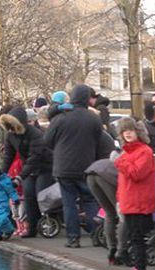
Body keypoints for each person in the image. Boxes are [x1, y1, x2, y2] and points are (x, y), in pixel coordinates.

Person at [44, 83, 102, 248]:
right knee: (90, 201)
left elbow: (47, 141)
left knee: (69, 203)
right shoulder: (93, 118)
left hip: (64, 167)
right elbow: (99, 141)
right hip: (86, 166)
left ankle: (73, 238)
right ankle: (96, 235)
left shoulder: (60, 118)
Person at [112, 117, 155, 270]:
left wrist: (120, 161)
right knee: (134, 238)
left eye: (131, 130)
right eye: (125, 131)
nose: (128, 133)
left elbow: (137, 173)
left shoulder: (144, 151)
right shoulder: (127, 153)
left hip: (139, 202)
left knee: (137, 239)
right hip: (129, 202)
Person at [0, 106, 54, 238]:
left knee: (41, 194)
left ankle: (50, 220)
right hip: (28, 168)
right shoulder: (11, 136)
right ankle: (32, 228)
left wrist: (20, 177)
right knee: (28, 196)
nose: (11, 129)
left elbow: (35, 156)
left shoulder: (35, 134)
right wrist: (2, 174)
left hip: (44, 166)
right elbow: (8, 156)